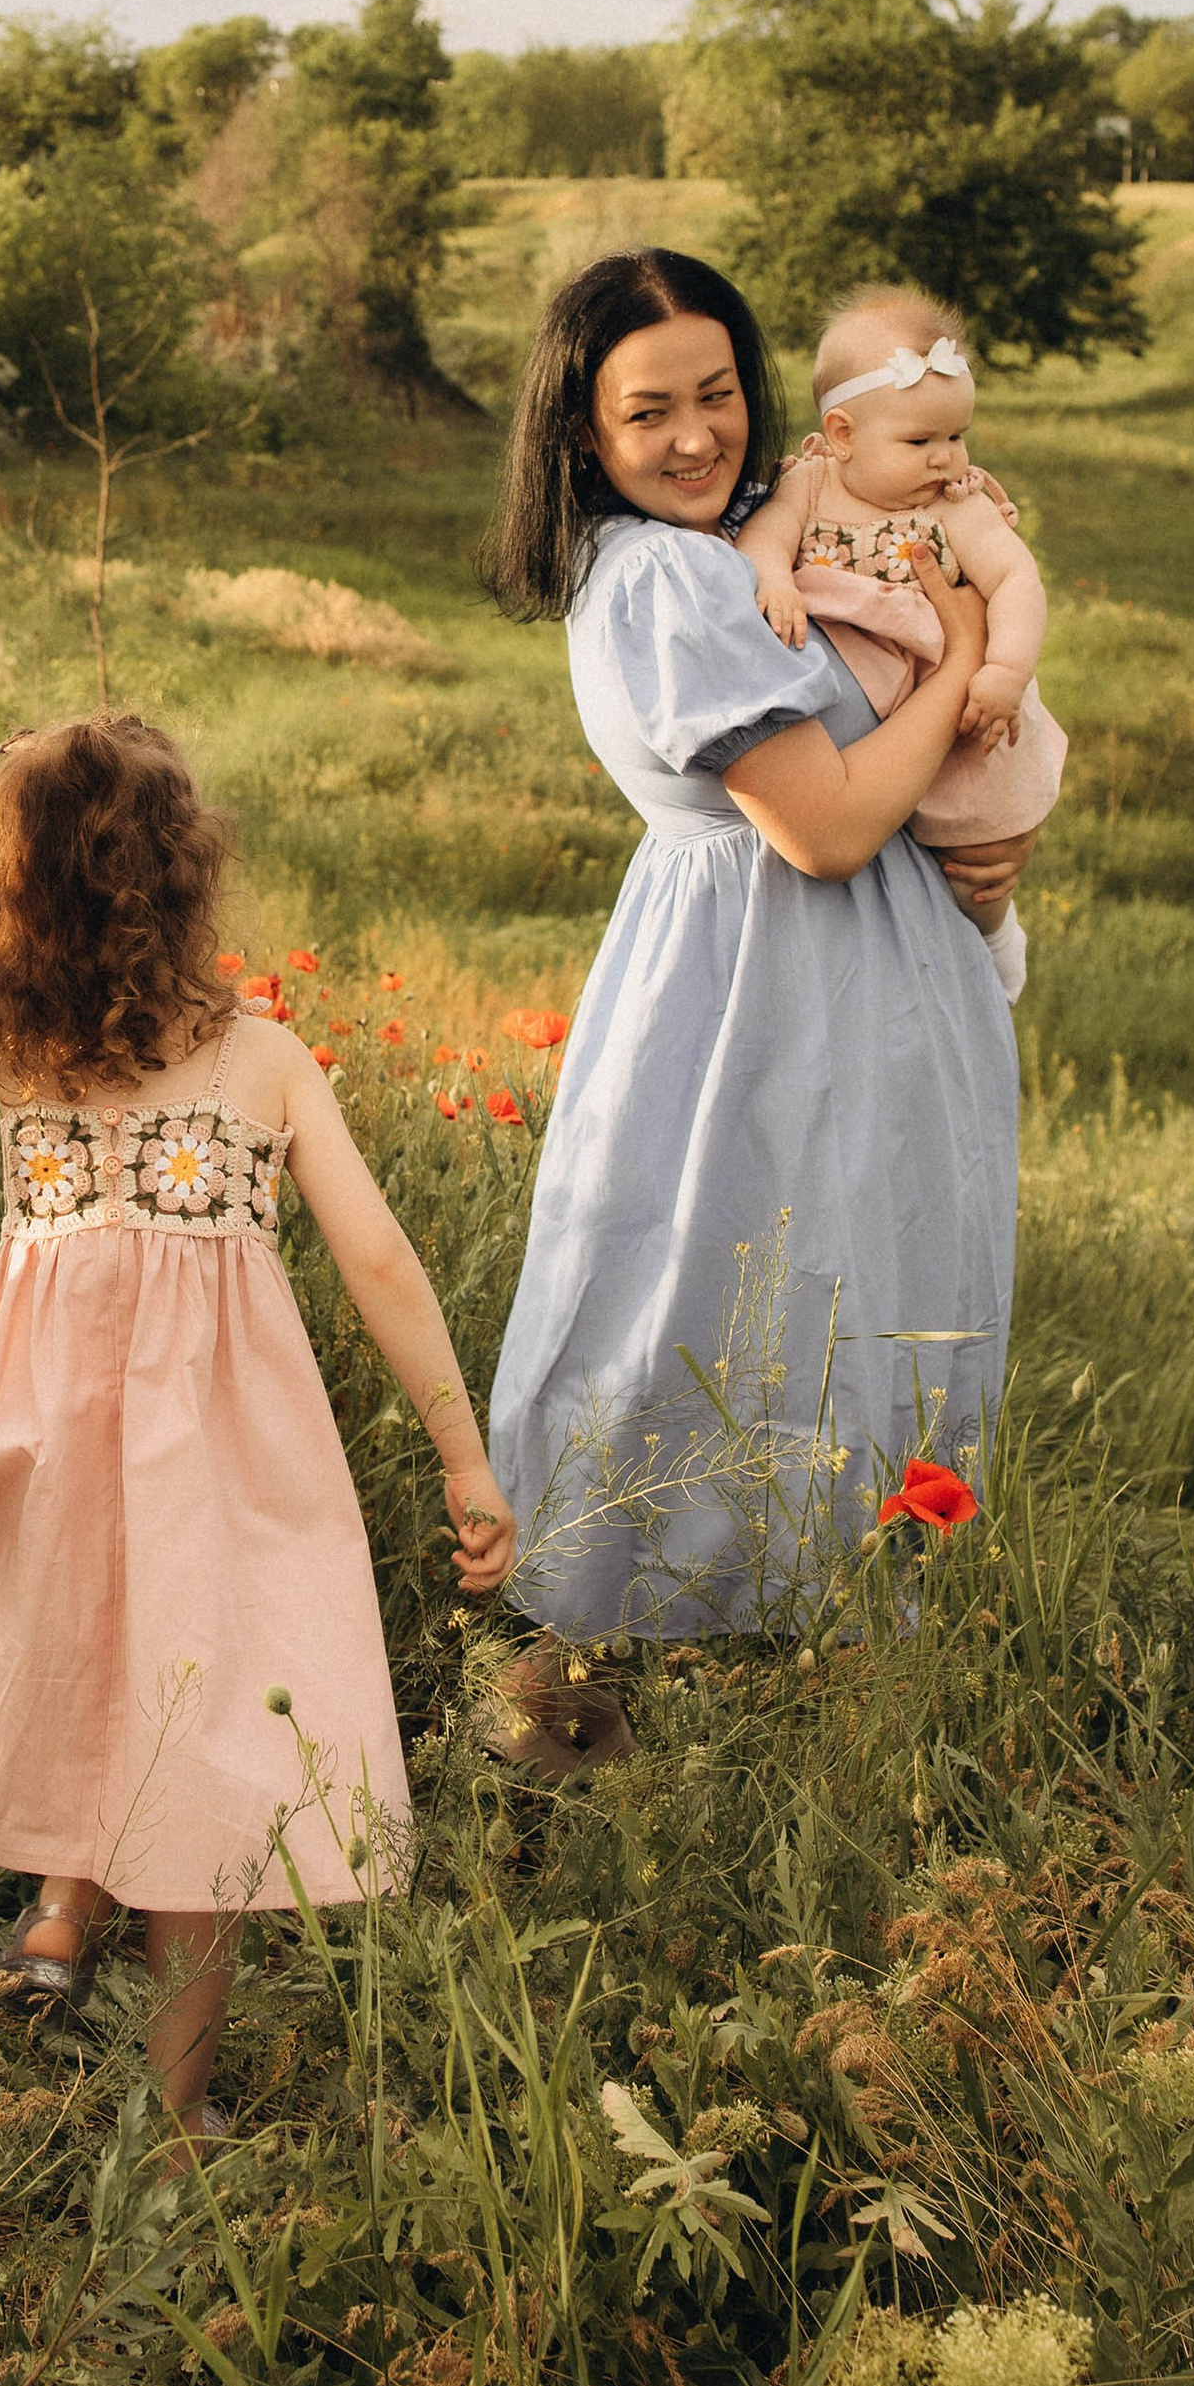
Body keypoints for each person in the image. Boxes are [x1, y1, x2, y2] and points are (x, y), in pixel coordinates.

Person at [0, 714, 516, 2140]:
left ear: (4, 890)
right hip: (223, 1455)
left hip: (47, 1431)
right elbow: (380, 1257)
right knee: (204, 1738)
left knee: (83, 1663)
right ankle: (175, 2117)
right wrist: (463, 1454)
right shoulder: (263, 1059)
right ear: (189, 879)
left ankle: (58, 1918)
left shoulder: (7, 1026)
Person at [478, 250, 1019, 1756]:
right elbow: (826, 824)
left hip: (824, 990)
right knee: (712, 1300)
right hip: (762, 994)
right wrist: (961, 661)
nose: (698, 435)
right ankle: (612, 1695)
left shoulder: (722, 552)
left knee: (790, 1302)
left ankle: (774, 1704)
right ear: (583, 432)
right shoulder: (659, 575)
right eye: (651, 410)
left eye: (719, 394)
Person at [732, 289, 1064, 1003]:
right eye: (921, 442)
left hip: (961, 698)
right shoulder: (811, 484)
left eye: (958, 435)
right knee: (881, 823)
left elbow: (1015, 580)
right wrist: (772, 581)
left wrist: (1003, 671)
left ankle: (995, 934)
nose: (947, 458)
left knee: (977, 844)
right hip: (864, 707)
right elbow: (765, 537)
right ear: (843, 434)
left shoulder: (957, 505)